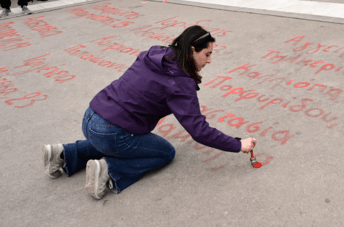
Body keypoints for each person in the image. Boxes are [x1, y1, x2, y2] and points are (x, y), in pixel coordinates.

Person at [42, 25, 257, 200]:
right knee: (164, 152)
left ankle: (63, 153)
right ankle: (109, 169)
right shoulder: (180, 83)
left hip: (91, 116)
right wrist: (238, 145)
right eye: (207, 54)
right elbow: (198, 130)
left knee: (116, 137)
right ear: (192, 50)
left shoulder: (155, 54)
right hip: (111, 132)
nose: (209, 60)